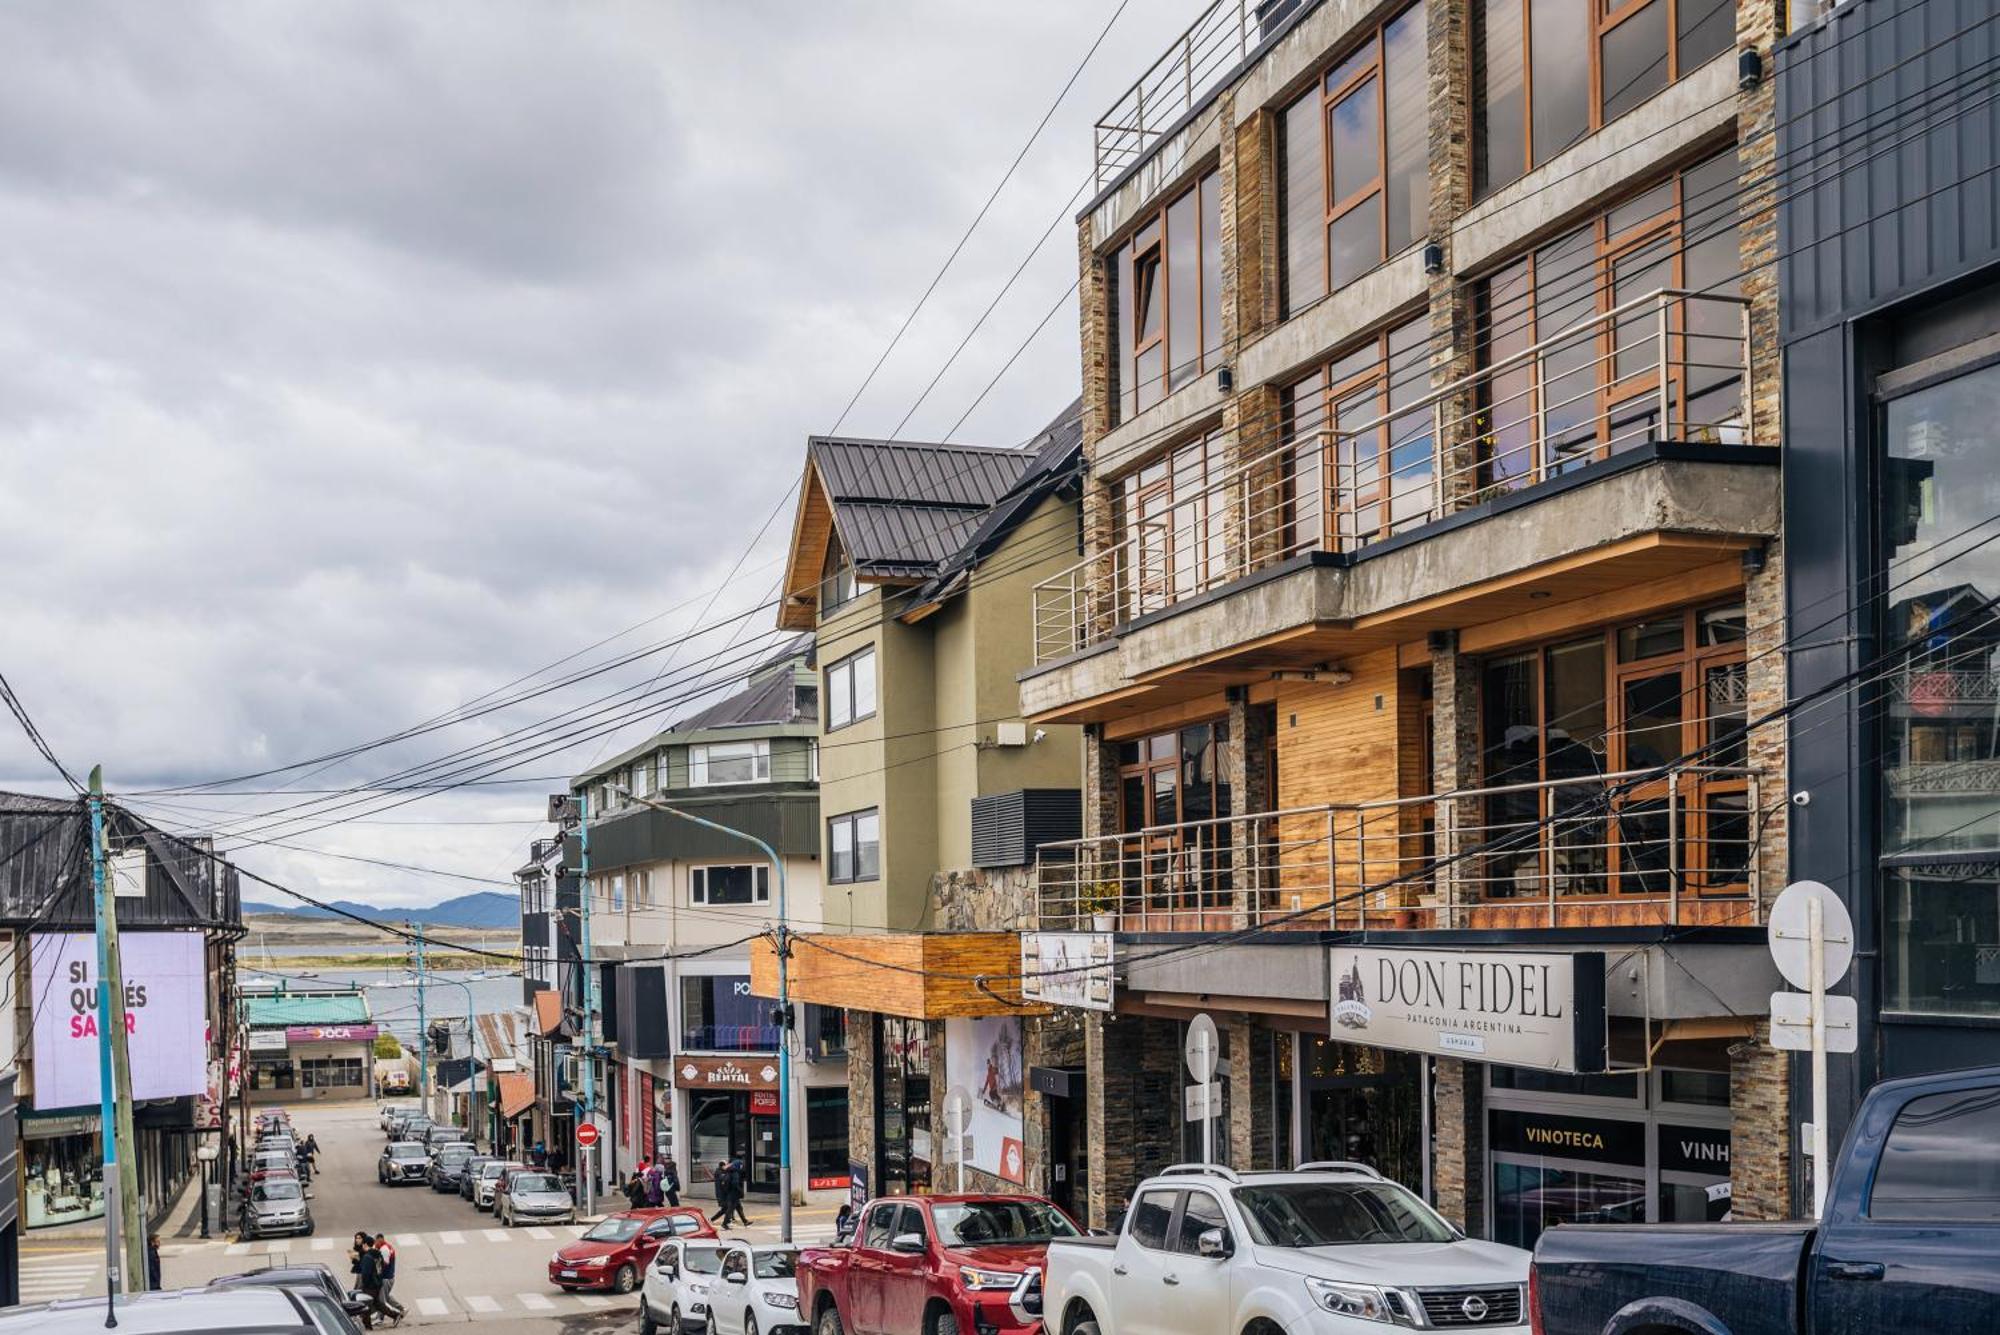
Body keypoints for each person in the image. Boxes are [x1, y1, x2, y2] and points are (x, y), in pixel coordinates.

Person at [355, 1238, 397, 1328]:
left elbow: (366, 1273)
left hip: (370, 1285)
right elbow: (381, 1268)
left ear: (365, 1245)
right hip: (378, 1283)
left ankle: (367, 1326)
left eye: (363, 1244)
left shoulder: (367, 1257)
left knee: (366, 1304)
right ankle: (396, 1315)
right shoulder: (378, 1255)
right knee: (377, 1304)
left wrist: (364, 1285)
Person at [374, 1234, 406, 1323]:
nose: (375, 1243)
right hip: (388, 1277)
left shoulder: (384, 1249)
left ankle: (381, 1318)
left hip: (386, 1278)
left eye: (375, 1241)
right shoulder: (387, 1247)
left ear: (380, 1239)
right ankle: (402, 1309)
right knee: (385, 1297)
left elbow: (385, 1264)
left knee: (381, 1300)